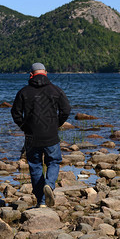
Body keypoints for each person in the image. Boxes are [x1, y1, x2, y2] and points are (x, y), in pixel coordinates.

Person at [11, 62, 71, 207]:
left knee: (35, 166)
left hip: (32, 136)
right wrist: (56, 124)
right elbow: (66, 110)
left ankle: (42, 202)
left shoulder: (24, 92)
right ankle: (49, 185)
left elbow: (15, 113)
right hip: (51, 134)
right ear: (45, 73)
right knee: (54, 161)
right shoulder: (56, 90)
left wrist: (25, 127)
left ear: (31, 75)